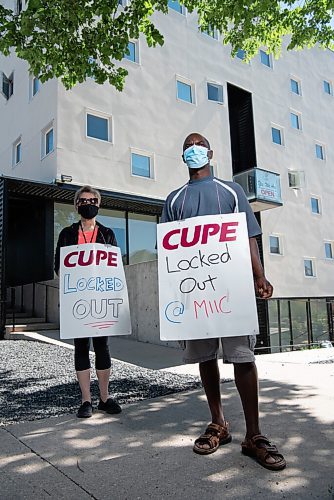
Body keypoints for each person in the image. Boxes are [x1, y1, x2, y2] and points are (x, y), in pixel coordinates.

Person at [160, 133, 286, 471]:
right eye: (187, 146)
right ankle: (219, 423)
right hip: (195, 291)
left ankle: (254, 434)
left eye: (198, 144)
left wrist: (259, 275)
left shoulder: (232, 191)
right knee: (205, 357)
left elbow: (249, 235)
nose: (193, 149)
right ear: (183, 155)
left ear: (210, 152)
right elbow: (169, 251)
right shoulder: (174, 200)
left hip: (232, 288)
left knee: (243, 357)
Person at [55, 185, 122, 418]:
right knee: (81, 347)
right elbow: (58, 267)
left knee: (102, 346)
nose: (88, 204)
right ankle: (86, 401)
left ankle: (104, 398)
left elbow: (114, 266)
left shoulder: (108, 234)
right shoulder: (66, 234)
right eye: (83, 201)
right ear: (76, 205)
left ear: (98, 204)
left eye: (92, 200)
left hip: (101, 301)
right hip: (78, 301)